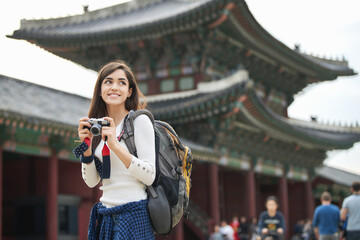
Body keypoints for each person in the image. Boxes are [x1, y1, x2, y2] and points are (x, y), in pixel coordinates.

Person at [75, 60, 156, 239]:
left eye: (122, 82)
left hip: (134, 215)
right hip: (106, 215)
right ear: (100, 89)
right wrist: (87, 149)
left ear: (129, 91)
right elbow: (91, 181)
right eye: (108, 81)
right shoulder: (97, 126)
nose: (114, 87)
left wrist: (115, 146)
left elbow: (149, 175)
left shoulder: (139, 121)